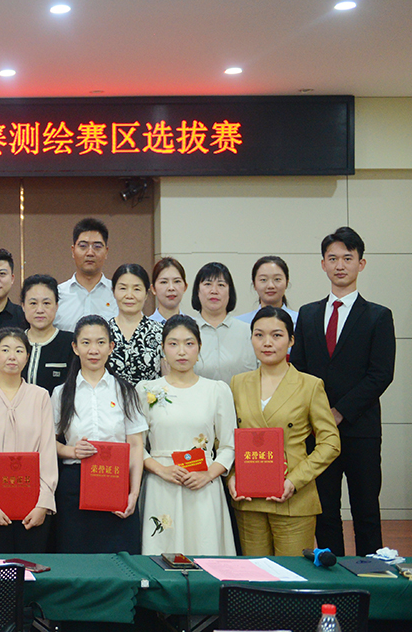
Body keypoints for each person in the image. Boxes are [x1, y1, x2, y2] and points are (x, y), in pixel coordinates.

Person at [290, 227, 395, 558]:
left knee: (366, 510)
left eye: (347, 258)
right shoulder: (307, 314)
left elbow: (381, 374)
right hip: (317, 432)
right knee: (325, 512)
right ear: (323, 264)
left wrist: (339, 412)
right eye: (332, 258)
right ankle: (331, 576)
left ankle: (371, 575)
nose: (340, 265)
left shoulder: (379, 316)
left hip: (361, 429)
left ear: (361, 264)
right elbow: (299, 371)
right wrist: (319, 416)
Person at [229, 307, 341, 556]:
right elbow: (225, 438)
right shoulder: (238, 383)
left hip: (293, 497)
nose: (267, 343)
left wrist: (295, 480)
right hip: (248, 500)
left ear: (291, 340)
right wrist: (232, 476)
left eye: (277, 335)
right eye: (259, 335)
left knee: (292, 574)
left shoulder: (310, 385)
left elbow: (330, 442)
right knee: (254, 574)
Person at [137, 316, 236, 555]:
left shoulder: (217, 390)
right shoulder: (146, 390)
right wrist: (161, 470)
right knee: (160, 554)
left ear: (199, 347)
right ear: (163, 348)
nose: (181, 351)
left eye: (189, 343)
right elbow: (136, 446)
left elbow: (229, 446)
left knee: (205, 550)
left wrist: (208, 474)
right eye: (173, 344)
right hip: (161, 484)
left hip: (203, 485)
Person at [52, 315, 146, 554]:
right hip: (74, 485)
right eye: (86, 343)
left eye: (101, 342)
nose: (93, 350)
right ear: (75, 347)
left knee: (119, 557)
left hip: (116, 482)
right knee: (76, 556)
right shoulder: (61, 393)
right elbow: (49, 443)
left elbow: (136, 445)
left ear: (111, 347)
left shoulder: (125, 391)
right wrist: (71, 451)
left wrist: (133, 493)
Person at [0, 327, 58, 553]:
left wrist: (43, 503)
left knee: (32, 566)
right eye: (5, 350)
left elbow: (48, 451)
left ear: (27, 357)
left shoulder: (40, 396)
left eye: (19, 350)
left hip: (33, 492)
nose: (12, 356)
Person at [190, 262, 257, 385]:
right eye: (208, 284)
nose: (214, 291)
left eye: (221, 285)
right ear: (197, 291)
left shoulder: (249, 332)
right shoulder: (186, 332)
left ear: (230, 292)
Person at [106, 263, 163, 386]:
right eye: (123, 288)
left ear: (146, 294)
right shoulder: (104, 332)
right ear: (113, 291)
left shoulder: (160, 332)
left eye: (137, 289)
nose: (129, 295)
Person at [55, 218, 116, 332]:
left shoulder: (117, 294)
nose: (90, 253)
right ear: (73, 251)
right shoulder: (58, 295)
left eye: (97, 247)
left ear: (106, 252)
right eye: (83, 246)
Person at [20, 274, 77, 394]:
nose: (40, 310)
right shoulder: (14, 342)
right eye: (33, 303)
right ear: (23, 306)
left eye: (46, 303)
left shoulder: (71, 344)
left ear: (56, 306)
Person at [235, 256, 296, 327]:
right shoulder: (240, 323)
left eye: (277, 279)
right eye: (263, 280)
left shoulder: (299, 321)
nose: (270, 286)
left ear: (287, 283)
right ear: (254, 284)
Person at [148, 257, 188, 324]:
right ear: (153, 289)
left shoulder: (193, 325)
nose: (171, 288)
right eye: (164, 282)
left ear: (185, 287)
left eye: (177, 281)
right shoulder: (145, 326)